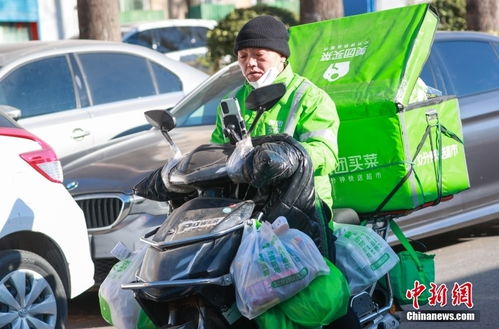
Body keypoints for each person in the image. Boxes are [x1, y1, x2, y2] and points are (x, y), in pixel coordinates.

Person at [211, 15, 361, 329]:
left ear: (281, 56)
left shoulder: (309, 97)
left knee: (320, 296)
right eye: (242, 57)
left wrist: (291, 157)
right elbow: (216, 153)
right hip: (249, 215)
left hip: (304, 211)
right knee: (241, 296)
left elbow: (327, 152)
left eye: (258, 56)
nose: (249, 63)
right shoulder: (233, 102)